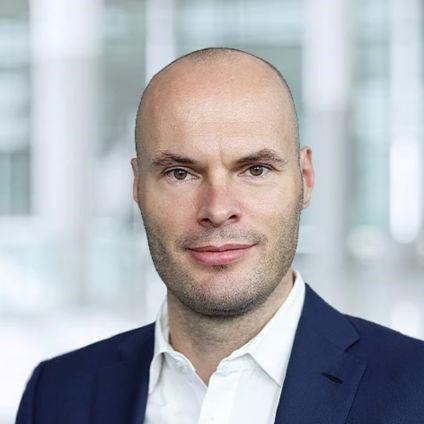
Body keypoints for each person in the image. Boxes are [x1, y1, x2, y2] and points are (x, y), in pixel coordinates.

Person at [17, 47, 424, 424]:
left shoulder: (415, 388)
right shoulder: (54, 394)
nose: (216, 209)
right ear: (137, 186)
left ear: (305, 179)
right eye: (180, 173)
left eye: (255, 170)